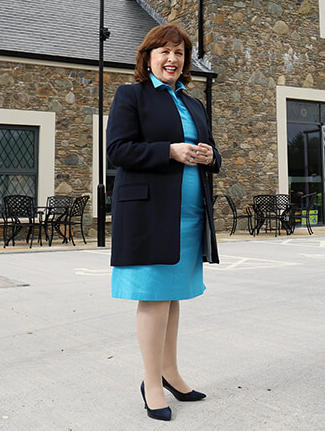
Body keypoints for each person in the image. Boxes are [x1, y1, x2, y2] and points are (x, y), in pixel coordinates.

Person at [107, 22, 221, 421]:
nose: (173, 58)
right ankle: (151, 382)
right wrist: (168, 151)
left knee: (172, 297)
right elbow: (118, 150)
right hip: (150, 214)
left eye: (179, 53)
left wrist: (211, 157)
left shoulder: (193, 103)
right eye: (165, 52)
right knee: (155, 296)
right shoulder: (130, 96)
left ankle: (170, 371)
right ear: (148, 58)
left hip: (189, 215)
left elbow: (212, 152)